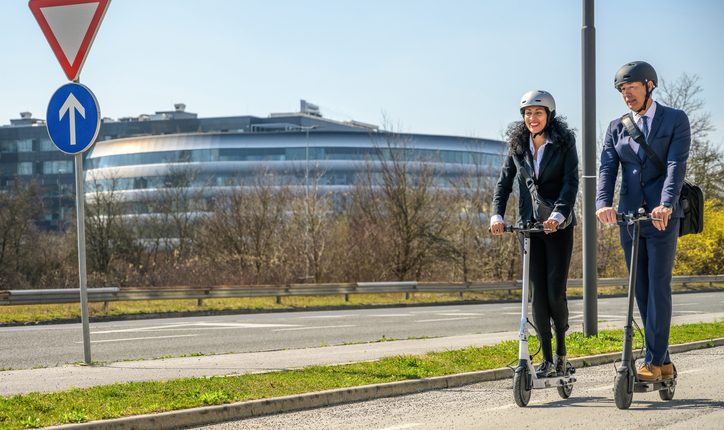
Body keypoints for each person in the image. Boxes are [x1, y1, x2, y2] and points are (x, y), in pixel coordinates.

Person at [596, 61, 691, 381]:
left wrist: (666, 204)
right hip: (630, 217)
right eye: (623, 91)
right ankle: (662, 361)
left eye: (632, 88)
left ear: (650, 85)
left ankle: (652, 361)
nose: (627, 96)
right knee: (640, 289)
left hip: (663, 218)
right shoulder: (616, 127)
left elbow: (676, 164)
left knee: (658, 286)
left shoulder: (675, 119)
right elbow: (608, 168)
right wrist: (602, 203)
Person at [491, 90, 579, 377]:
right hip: (528, 227)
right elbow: (504, 183)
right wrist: (497, 215)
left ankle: (562, 354)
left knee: (555, 291)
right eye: (527, 113)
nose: (532, 118)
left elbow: (571, 181)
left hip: (557, 227)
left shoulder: (564, 143)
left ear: (549, 115)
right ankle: (547, 360)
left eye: (538, 113)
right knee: (536, 296)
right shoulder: (517, 146)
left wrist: (558, 214)